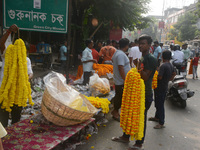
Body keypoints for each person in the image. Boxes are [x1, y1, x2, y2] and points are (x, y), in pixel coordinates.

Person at [112, 35, 157, 150]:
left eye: (143, 43)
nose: (140, 45)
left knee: (140, 118)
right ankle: (125, 136)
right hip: (136, 92)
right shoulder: (142, 57)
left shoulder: (150, 59)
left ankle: (139, 143)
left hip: (145, 94)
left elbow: (146, 77)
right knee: (129, 114)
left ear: (149, 45)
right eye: (140, 43)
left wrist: (137, 67)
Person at [0, 24, 24, 128]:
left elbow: (28, 74)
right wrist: (9, 31)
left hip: (17, 93)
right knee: (3, 117)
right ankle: (3, 139)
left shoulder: (24, 59)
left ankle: (15, 139)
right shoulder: (7, 52)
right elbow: (1, 43)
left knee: (16, 119)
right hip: (4, 90)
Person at [149, 50, 176, 129]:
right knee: (158, 103)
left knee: (160, 104)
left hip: (160, 87)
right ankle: (157, 117)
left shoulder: (163, 66)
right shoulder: (171, 65)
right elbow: (174, 73)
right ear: (170, 57)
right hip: (164, 86)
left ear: (162, 57)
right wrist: (168, 79)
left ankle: (161, 122)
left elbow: (160, 77)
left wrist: (155, 74)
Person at [111, 38, 131, 121]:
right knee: (119, 97)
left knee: (119, 96)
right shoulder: (120, 55)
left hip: (119, 80)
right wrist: (125, 79)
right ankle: (115, 112)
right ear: (126, 46)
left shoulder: (118, 53)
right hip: (121, 81)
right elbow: (120, 67)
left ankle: (116, 111)